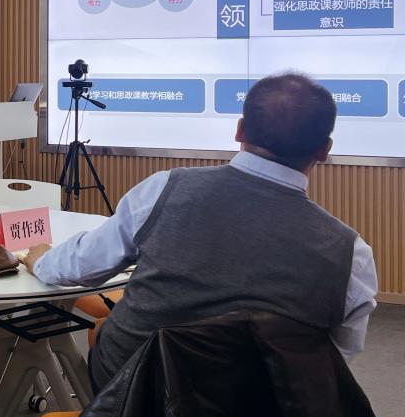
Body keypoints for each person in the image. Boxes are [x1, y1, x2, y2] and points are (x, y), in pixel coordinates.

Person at [25, 72, 377, 392]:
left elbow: (82, 267)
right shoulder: (351, 255)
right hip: (261, 415)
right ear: (325, 150)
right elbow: (335, 359)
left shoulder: (164, 189)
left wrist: (41, 259)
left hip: (137, 391)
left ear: (240, 130)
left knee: (104, 331)